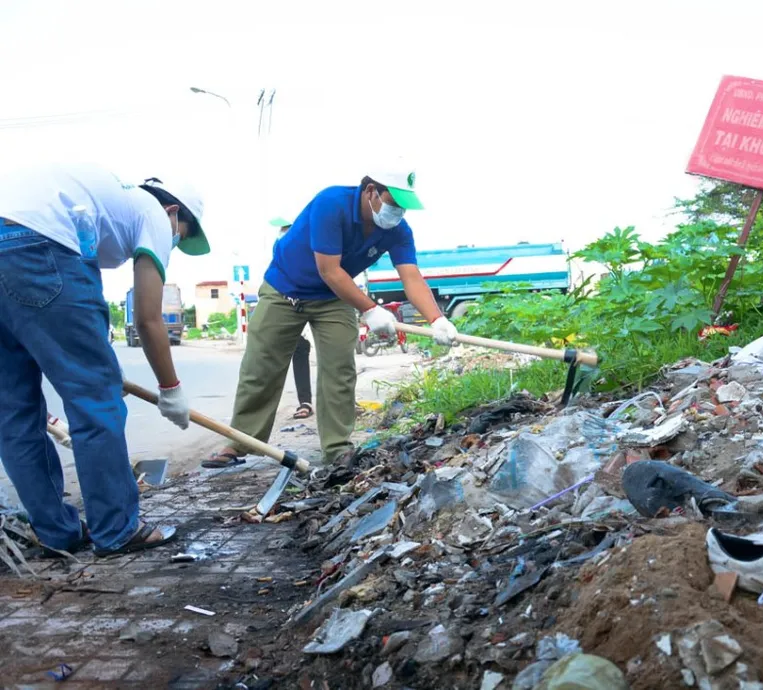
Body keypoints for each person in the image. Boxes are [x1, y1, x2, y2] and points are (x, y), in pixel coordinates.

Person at [0, 163, 210, 557]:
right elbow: (148, 318)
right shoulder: (153, 214)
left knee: (13, 412)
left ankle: (56, 533)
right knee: (94, 400)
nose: (173, 244)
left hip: (20, 236)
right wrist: (170, 388)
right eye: (179, 237)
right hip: (37, 245)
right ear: (173, 212)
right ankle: (117, 529)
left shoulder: (100, 200)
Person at [203, 164, 458, 468]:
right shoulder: (332, 204)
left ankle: (337, 449)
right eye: (394, 203)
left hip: (334, 298)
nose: (398, 213)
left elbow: (411, 277)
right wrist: (370, 309)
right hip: (286, 290)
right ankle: (240, 443)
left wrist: (437, 320)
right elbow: (329, 270)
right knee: (261, 367)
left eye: (404, 207)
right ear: (371, 191)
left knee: (339, 368)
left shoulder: (398, 231)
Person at [269, 217, 314, 420]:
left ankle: (346, 400)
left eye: (287, 228)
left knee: (334, 349)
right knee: (299, 347)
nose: (283, 232)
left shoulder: (313, 240)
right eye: (282, 229)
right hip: (292, 300)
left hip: (321, 297)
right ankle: (305, 402)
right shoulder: (278, 245)